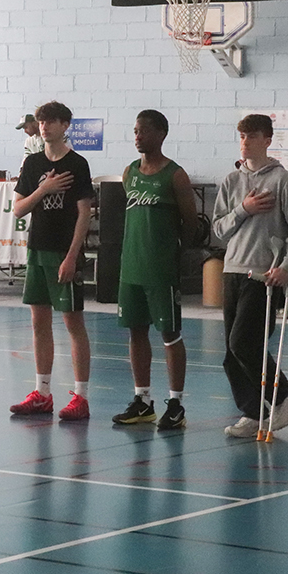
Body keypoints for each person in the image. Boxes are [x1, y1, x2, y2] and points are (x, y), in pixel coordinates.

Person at [213, 113, 288, 438]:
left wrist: (287, 266)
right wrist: (244, 209)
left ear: (267, 140)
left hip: (263, 275)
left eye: (252, 136)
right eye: (241, 136)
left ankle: (285, 395)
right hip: (233, 269)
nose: (245, 142)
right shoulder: (231, 181)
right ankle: (254, 413)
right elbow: (219, 229)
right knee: (231, 354)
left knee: (244, 343)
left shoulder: (283, 180)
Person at [113, 110, 200, 429]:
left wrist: (175, 256)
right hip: (131, 267)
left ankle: (176, 404)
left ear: (161, 134)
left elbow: (191, 223)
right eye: (135, 131)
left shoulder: (175, 175)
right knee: (136, 331)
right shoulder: (129, 173)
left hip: (161, 269)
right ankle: (143, 401)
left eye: (144, 131)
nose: (138, 136)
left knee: (170, 334)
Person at [10, 102, 96, 420]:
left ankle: (81, 397)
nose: (44, 127)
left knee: (73, 324)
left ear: (65, 125)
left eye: (51, 121)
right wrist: (44, 189)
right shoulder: (33, 164)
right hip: (38, 250)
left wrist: (72, 256)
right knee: (39, 323)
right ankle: (42, 393)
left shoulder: (77, 164)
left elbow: (84, 214)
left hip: (63, 252)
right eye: (41, 121)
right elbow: (19, 209)